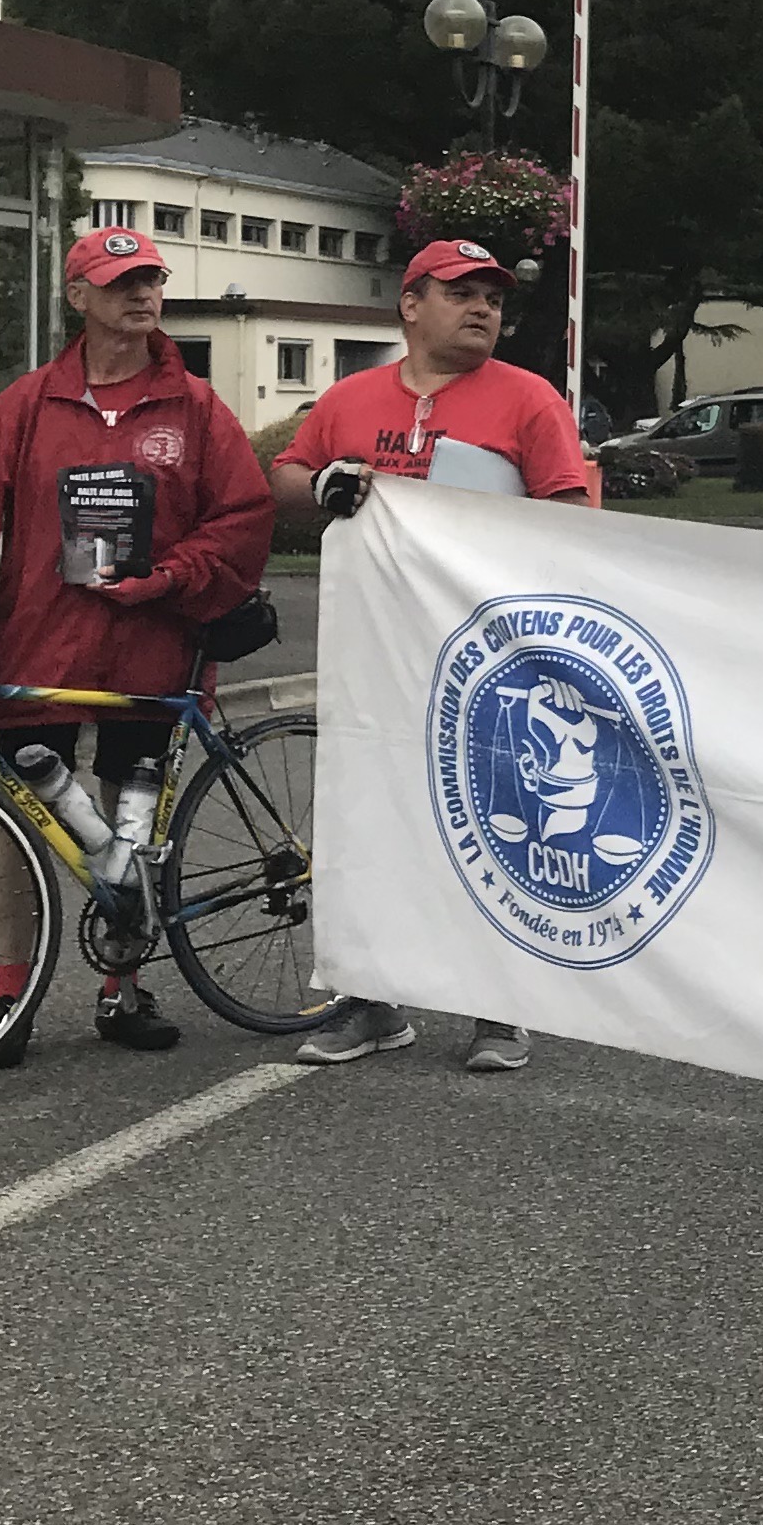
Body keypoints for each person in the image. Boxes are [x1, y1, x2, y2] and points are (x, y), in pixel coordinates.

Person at [0, 225, 276, 1063]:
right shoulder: (28, 404)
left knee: (130, 817)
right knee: (20, 818)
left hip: (154, 647)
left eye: (150, 280)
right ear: (78, 296)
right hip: (41, 646)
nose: (141, 295)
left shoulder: (197, 409)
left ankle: (123, 986)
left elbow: (244, 522)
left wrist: (170, 577)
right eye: (119, 283)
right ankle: (10, 993)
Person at [274, 235, 599, 1071]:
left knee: (495, 824)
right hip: (375, 655)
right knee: (367, 823)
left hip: (488, 661)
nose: (484, 308)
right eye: (461, 293)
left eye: (492, 296)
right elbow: (286, 474)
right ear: (411, 305)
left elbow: (569, 511)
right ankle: (370, 1001)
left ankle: (500, 1007)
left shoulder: (527, 400)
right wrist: (319, 487)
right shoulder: (351, 398)